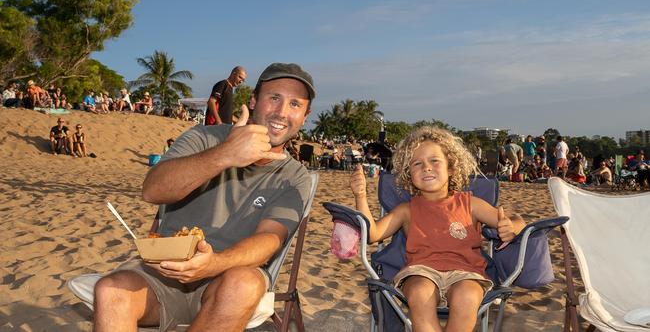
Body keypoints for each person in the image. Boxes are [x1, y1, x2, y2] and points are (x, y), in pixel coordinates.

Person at [93, 62, 316, 331]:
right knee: (110, 291)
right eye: (274, 98)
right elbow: (153, 190)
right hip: (165, 269)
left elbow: (270, 239)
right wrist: (225, 155)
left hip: (227, 277)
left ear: (305, 116)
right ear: (254, 100)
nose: (281, 112)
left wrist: (214, 264)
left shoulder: (295, 176)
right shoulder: (204, 138)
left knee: (243, 284)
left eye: (295, 104)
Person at [350, 126, 525, 332]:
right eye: (417, 163)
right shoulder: (407, 210)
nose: (426, 167)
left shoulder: (471, 204)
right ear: (409, 173)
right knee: (418, 292)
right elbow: (373, 234)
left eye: (434, 161)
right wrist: (360, 196)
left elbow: (517, 220)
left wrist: (511, 226)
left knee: (467, 296)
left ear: (451, 168)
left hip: (466, 273)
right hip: (421, 271)